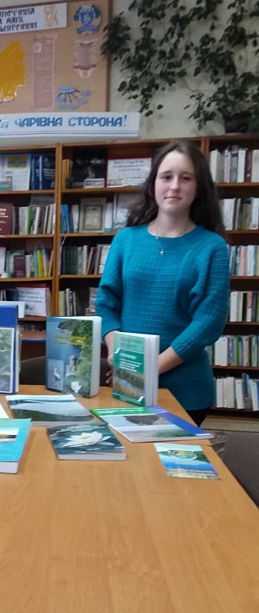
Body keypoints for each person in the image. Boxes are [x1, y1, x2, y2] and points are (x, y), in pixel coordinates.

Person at [96, 140, 230, 425]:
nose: (174, 186)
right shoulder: (125, 240)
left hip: (185, 391)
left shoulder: (212, 247)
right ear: (153, 183)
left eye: (186, 178)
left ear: (199, 187)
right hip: (126, 381)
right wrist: (118, 355)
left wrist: (150, 368)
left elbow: (208, 323)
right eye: (166, 176)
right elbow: (106, 303)